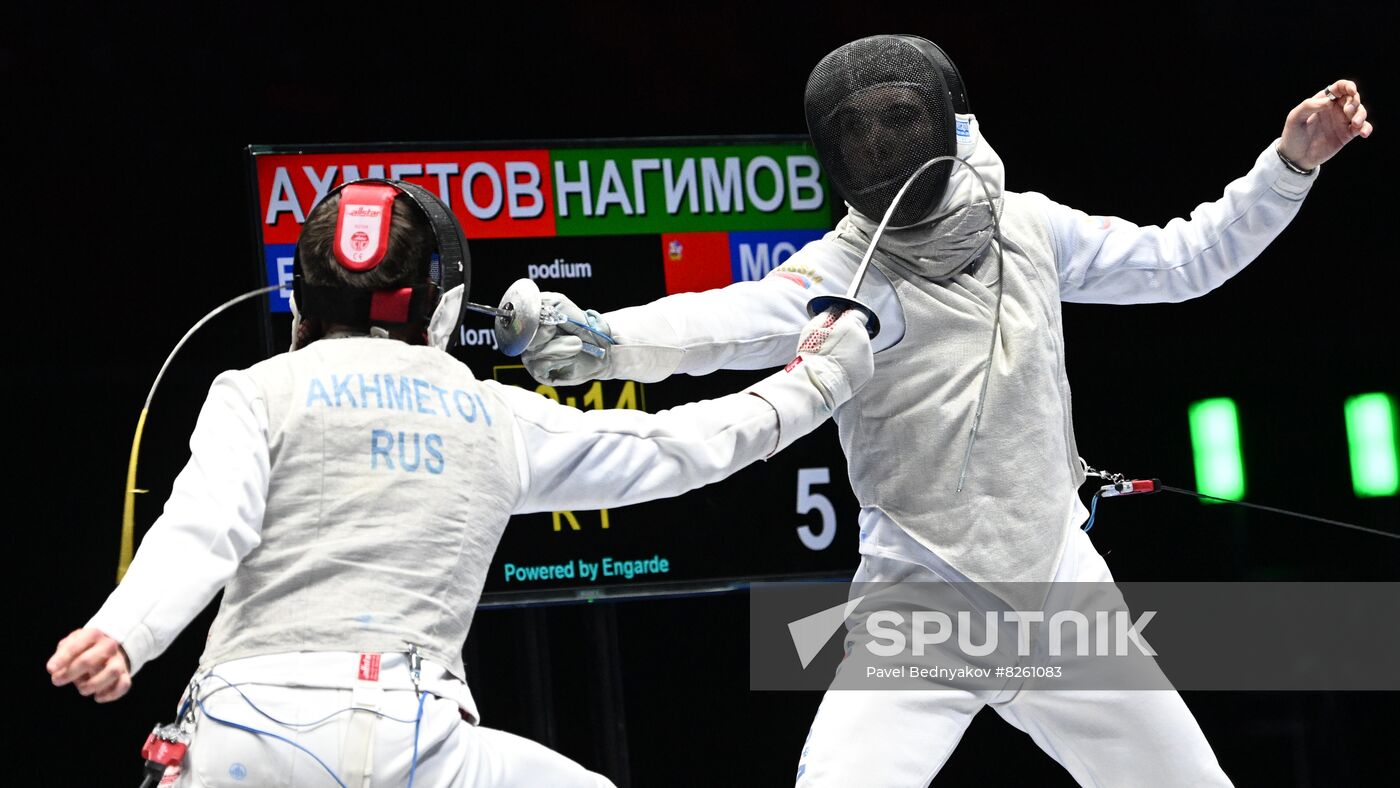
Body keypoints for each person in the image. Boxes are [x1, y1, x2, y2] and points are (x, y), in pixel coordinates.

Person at [519, 35, 1372, 786]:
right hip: (920, 608)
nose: (883, 144)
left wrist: (1288, 167)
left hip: (1060, 592)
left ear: (948, 123)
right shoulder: (846, 279)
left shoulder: (1030, 229)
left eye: (896, 122)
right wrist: (598, 336)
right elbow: (714, 325)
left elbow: (1182, 261)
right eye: (865, 133)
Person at [45, 179, 873, 787]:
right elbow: (676, 446)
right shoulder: (493, 415)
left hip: (242, 734)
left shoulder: (256, 390)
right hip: (416, 743)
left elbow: (202, 528)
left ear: (305, 299)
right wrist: (815, 385)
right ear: (439, 307)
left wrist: (125, 634)